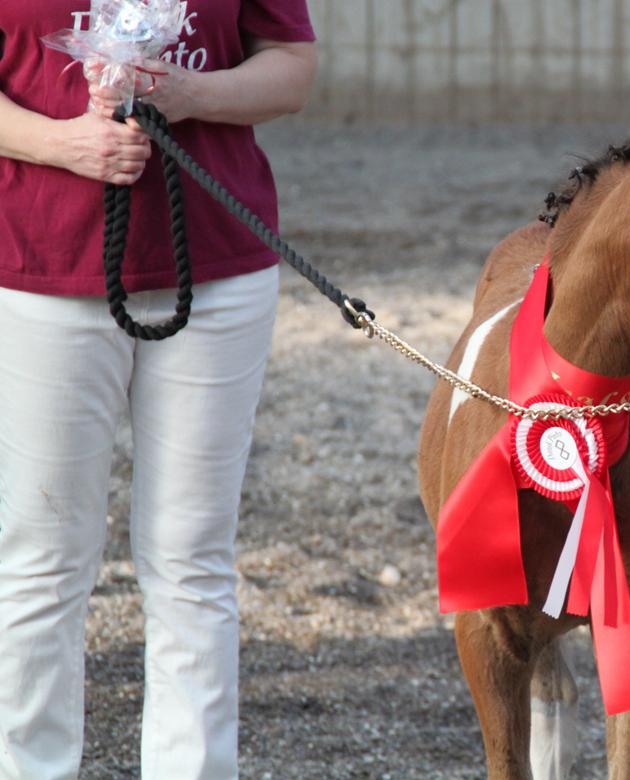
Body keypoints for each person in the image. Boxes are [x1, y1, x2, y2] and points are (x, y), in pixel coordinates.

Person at [0, 3, 316, 778]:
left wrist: (188, 95)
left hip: (216, 269)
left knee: (192, 558)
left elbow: (292, 66)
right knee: (42, 558)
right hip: (42, 266)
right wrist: (63, 143)